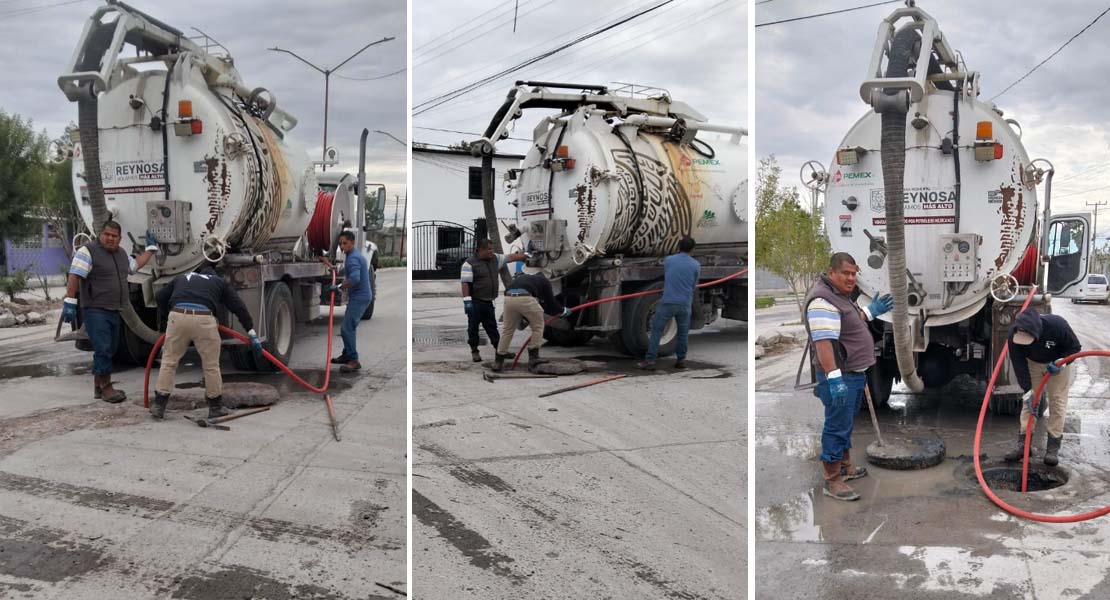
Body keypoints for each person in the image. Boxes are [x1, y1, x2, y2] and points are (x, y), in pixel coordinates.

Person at [803, 252, 893, 501]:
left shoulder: (838, 296)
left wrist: (869, 312)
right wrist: (834, 378)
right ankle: (832, 480)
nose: (851, 278)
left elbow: (848, 321)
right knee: (836, 426)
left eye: (854, 274)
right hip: (840, 376)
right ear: (832, 272)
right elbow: (824, 344)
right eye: (846, 273)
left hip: (853, 373)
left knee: (846, 422)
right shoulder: (822, 300)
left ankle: (845, 466)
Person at [61, 221, 157, 403]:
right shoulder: (87, 251)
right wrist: (70, 300)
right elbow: (75, 275)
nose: (110, 238)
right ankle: (106, 388)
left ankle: (98, 386)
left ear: (120, 239)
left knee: (110, 348)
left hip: (115, 309)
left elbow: (135, 265)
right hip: (95, 309)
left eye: (114, 236)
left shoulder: (121, 255)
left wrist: (150, 250)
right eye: (107, 234)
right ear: (100, 234)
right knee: (103, 348)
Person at [150, 265, 261, 420]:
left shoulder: (182, 277)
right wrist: (251, 331)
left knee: (169, 361)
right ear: (212, 275)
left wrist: (169, 314)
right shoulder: (218, 282)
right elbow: (238, 306)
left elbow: (160, 297)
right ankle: (215, 407)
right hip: (203, 318)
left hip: (177, 316)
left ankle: (159, 405)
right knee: (211, 365)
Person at [1003, 310, 1081, 466]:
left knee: (1057, 402)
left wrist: (1061, 362)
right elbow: (1019, 366)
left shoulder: (1057, 326)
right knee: (1029, 403)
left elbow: (1075, 348)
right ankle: (1024, 444)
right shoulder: (1013, 335)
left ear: (1037, 332)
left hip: (1058, 363)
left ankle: (1053, 447)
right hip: (1033, 364)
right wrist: (1027, 392)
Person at [638, 236, 701, 370]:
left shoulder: (669, 260)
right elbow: (694, 285)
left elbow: (667, 274)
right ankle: (681, 361)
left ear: (678, 247)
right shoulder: (696, 265)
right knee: (683, 333)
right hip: (684, 304)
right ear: (693, 249)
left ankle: (650, 361)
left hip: (668, 303)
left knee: (656, 330)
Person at [460, 239, 528, 362]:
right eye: (489, 249)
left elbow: (510, 257)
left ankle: (499, 351)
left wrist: (523, 256)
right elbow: (465, 283)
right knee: (473, 327)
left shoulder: (495, 259)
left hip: (489, 301)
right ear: (480, 250)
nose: (491, 251)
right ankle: (475, 351)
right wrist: (467, 301)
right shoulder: (469, 264)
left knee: (492, 327)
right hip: (475, 302)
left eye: (492, 249)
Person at [492, 271, 571, 373]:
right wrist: (563, 311)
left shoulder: (523, 278)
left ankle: (498, 362)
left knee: (507, 330)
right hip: (525, 298)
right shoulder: (544, 281)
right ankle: (534, 358)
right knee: (538, 326)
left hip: (508, 298)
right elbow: (551, 303)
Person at [327, 231, 373, 373]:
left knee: (347, 329)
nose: (342, 246)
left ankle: (353, 360)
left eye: (345, 243)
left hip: (360, 297)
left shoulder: (353, 258)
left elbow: (354, 279)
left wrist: (339, 287)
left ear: (352, 243)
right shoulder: (354, 255)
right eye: (340, 243)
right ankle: (347, 355)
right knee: (349, 327)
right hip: (360, 297)